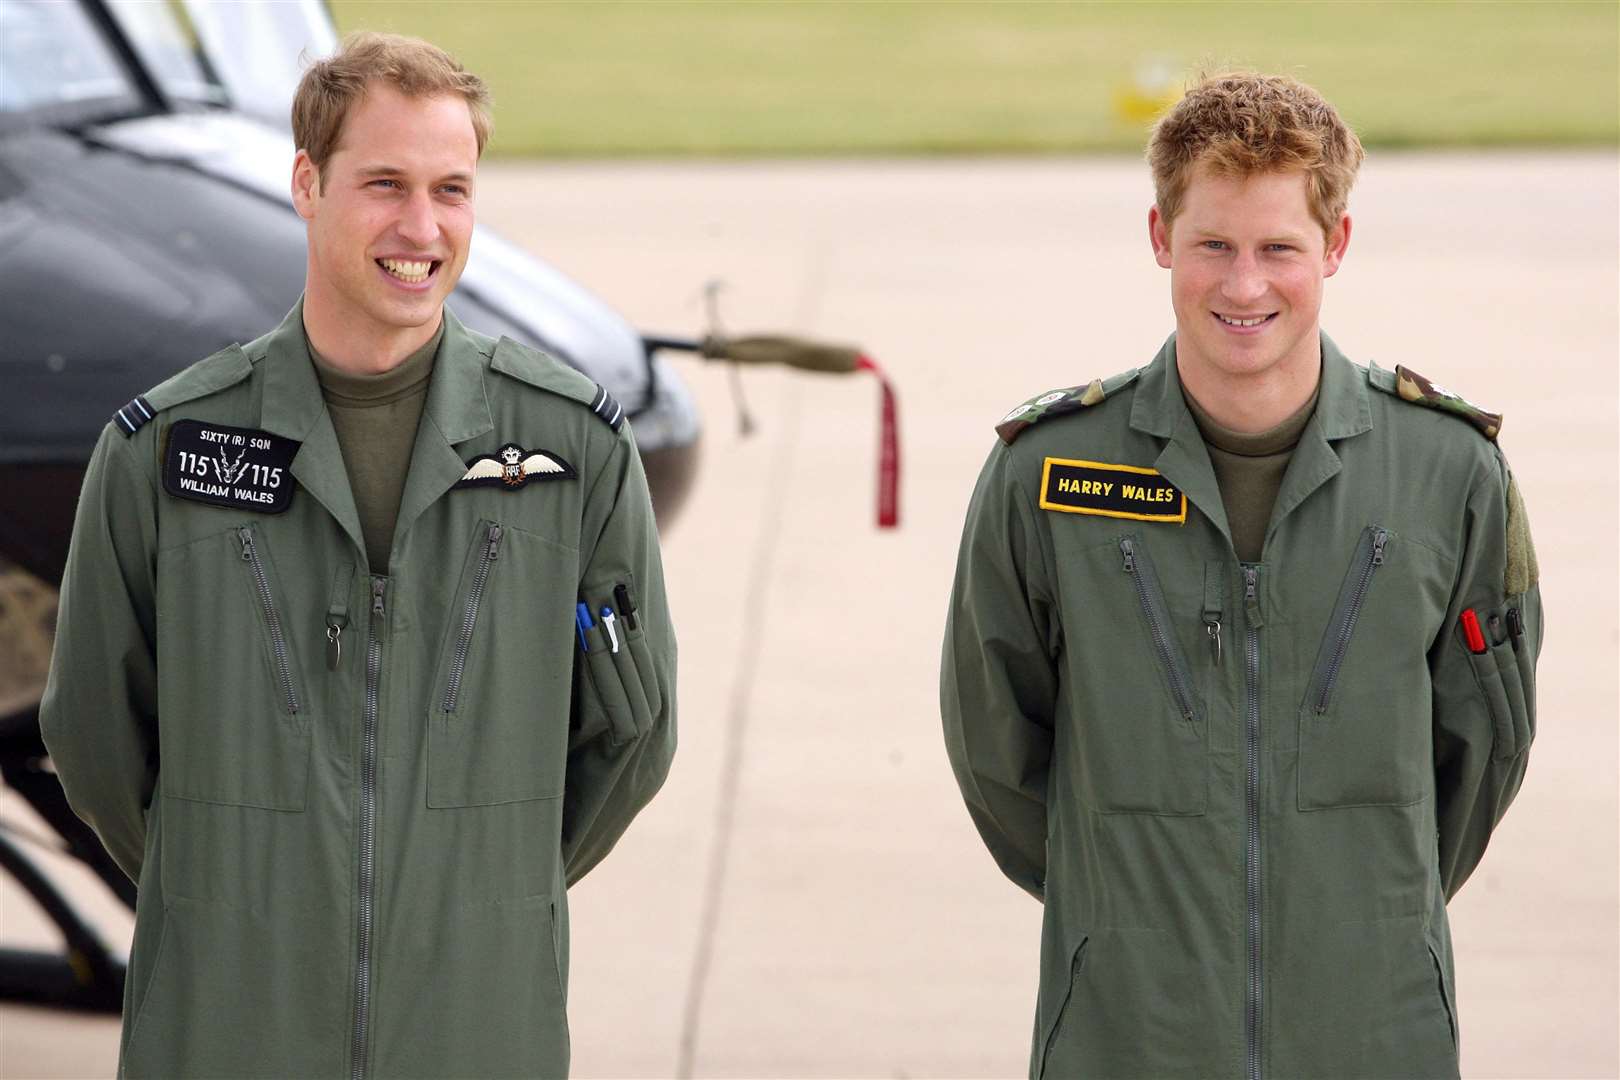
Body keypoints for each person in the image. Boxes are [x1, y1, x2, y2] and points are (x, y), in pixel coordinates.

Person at [40, 32, 675, 1078]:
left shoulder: (573, 450)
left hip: (477, 1017)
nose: (421, 227)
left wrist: (480, 882)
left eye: (452, 190)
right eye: (384, 183)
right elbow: (96, 736)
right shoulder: (162, 449)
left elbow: (632, 732)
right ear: (306, 183)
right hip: (228, 1018)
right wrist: (237, 886)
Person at [941, 72, 1539, 1079]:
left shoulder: (1449, 473)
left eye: (1279, 249)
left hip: (1374, 1027)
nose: (1244, 285)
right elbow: (998, 749)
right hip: (1125, 1032)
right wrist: (1121, 905)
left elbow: (1484, 747)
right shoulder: (1045, 475)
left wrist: (1364, 901)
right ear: (1159, 236)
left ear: (1335, 247)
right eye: (1213, 243)